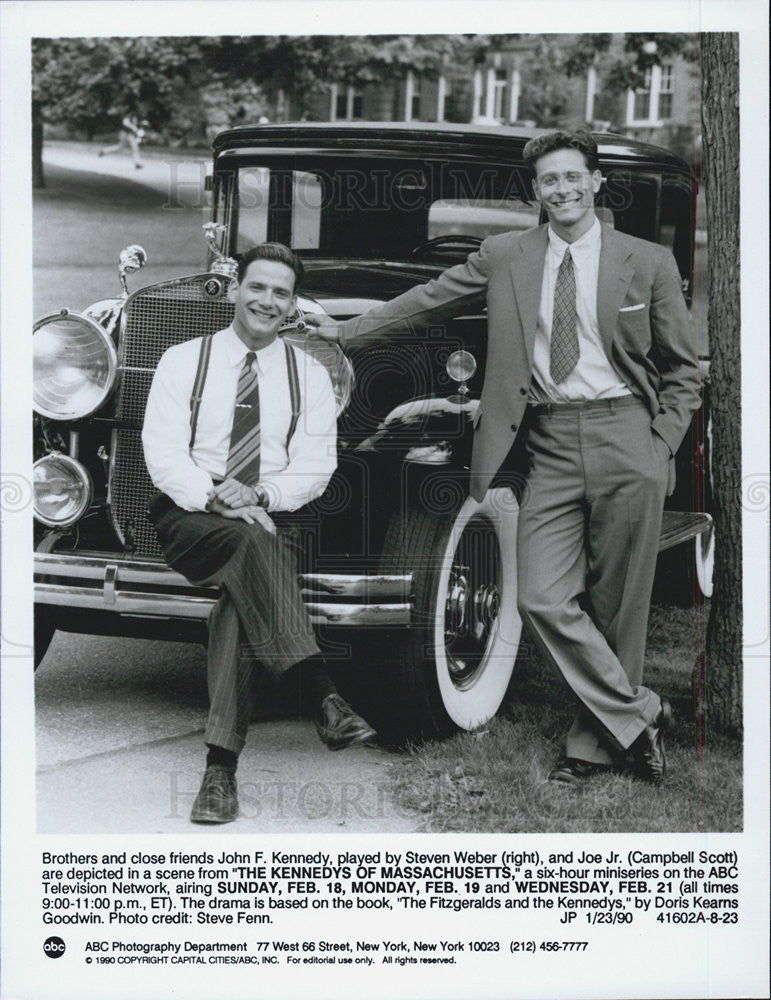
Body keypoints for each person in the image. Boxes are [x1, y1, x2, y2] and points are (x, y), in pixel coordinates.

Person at [310, 127, 700, 786]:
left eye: (573, 176)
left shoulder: (647, 262)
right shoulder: (505, 255)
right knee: (543, 598)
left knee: (617, 605)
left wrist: (660, 444)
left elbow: (683, 371)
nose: (563, 189)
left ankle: (593, 745)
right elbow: (426, 299)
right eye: (549, 180)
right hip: (546, 441)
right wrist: (345, 331)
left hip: (625, 437)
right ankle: (639, 713)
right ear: (537, 192)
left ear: (595, 181)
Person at [142, 242, 376, 824]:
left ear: (293, 305)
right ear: (236, 288)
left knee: (242, 595)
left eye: (281, 292)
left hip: (275, 511)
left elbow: (314, 469)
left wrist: (261, 495)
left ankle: (220, 772)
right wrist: (218, 495)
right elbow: (164, 456)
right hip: (190, 513)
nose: (266, 301)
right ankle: (317, 688)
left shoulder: (311, 376)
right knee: (249, 544)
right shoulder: (182, 360)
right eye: (258, 287)